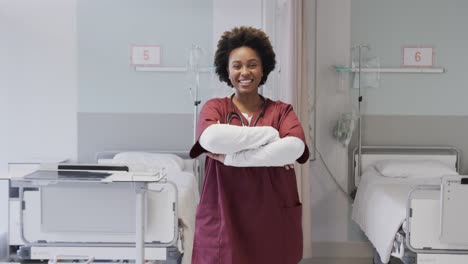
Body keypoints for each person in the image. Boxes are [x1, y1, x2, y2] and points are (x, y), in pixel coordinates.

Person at [189, 26, 309, 264]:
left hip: (271, 216)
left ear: (263, 68)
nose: (245, 72)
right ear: (227, 70)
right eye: (237, 65)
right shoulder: (215, 108)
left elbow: (294, 148)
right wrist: (269, 134)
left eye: (252, 64)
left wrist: (233, 158)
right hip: (224, 214)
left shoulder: (282, 110)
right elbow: (211, 139)